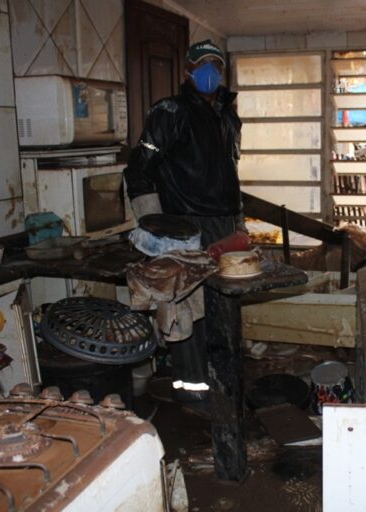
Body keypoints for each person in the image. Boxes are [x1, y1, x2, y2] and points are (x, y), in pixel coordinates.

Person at [124, 39, 245, 401]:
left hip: (223, 224)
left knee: (223, 306)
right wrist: (156, 227)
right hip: (186, 226)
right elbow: (139, 169)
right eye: (202, 64)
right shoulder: (170, 112)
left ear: (222, 72)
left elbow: (230, 170)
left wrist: (239, 222)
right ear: (188, 71)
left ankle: (223, 385)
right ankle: (192, 391)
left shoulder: (226, 114)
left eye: (216, 65)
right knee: (189, 309)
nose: (210, 72)